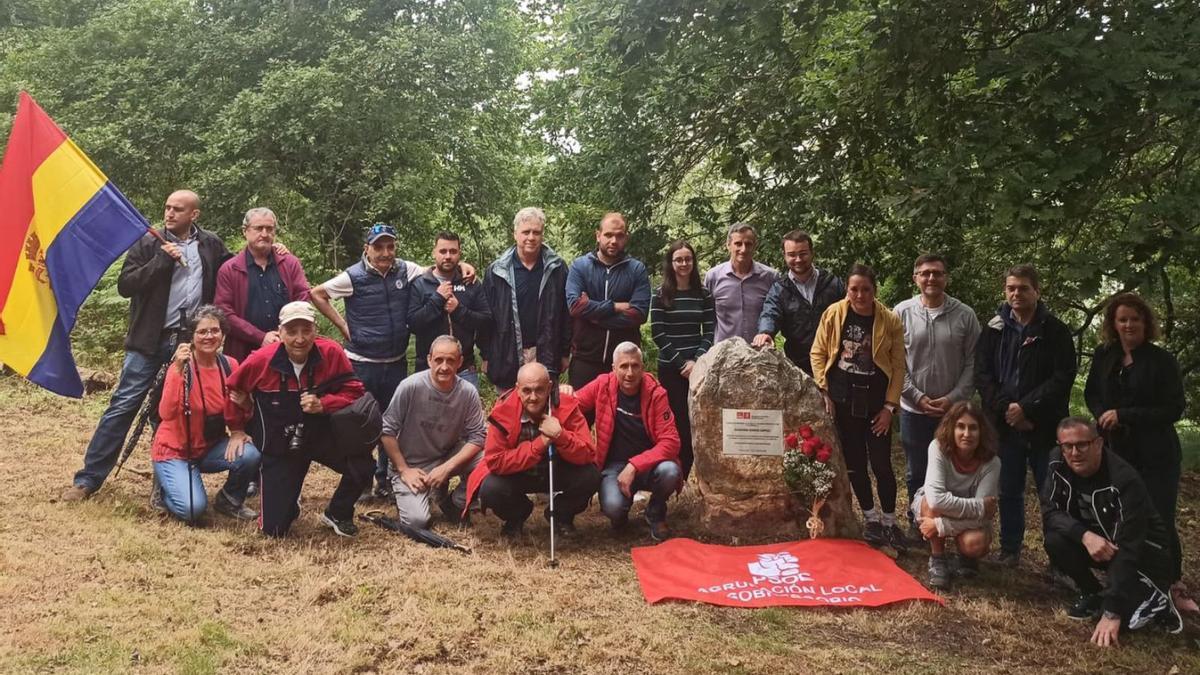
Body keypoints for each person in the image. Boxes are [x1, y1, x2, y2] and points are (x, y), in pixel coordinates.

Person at [63, 190, 231, 502]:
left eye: (178, 209)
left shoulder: (210, 243)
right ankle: (88, 480)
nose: (170, 213)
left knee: (172, 413)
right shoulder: (149, 241)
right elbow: (126, 285)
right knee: (122, 407)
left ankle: (163, 487)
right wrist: (160, 261)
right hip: (147, 341)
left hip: (186, 344)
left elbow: (236, 270)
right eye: (167, 207)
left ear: (194, 214)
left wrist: (272, 250)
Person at [311, 223, 478, 498]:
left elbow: (438, 266)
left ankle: (385, 480)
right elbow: (317, 293)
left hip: (395, 361)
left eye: (390, 246)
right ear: (367, 248)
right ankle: (360, 479)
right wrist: (342, 325)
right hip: (362, 362)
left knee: (393, 423)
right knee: (360, 423)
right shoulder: (352, 276)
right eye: (378, 247)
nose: (385, 252)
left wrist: (463, 266)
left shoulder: (406, 269)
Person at [225, 301, 374, 538]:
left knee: (364, 466)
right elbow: (232, 390)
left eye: (306, 330)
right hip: (279, 444)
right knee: (273, 529)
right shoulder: (260, 360)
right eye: (292, 331)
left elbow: (354, 390)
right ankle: (287, 499)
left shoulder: (331, 352)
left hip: (322, 435)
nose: (300, 339)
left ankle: (338, 512)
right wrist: (236, 428)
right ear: (280, 332)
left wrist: (324, 404)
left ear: (316, 330)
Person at [1084, 292, 1193, 612]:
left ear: (1146, 322)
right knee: (1121, 516)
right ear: (1113, 324)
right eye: (1122, 319)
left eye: (1135, 319)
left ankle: (1173, 583)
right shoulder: (1105, 356)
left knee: (1159, 516)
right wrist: (1105, 415)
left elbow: (1173, 408)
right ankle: (1129, 578)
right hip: (1118, 451)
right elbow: (1092, 394)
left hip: (1156, 455)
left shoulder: (1162, 361)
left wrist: (1125, 415)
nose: (1128, 324)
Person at [1042, 417, 1183, 645]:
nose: (1074, 452)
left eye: (1082, 445)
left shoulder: (1125, 480)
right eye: (1067, 446)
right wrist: (1084, 536)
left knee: (1126, 623)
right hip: (1100, 543)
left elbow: (1129, 546)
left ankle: (1157, 596)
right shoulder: (1056, 462)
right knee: (1054, 540)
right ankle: (1092, 593)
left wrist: (1112, 612)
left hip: (1143, 555)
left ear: (1098, 443)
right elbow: (1049, 512)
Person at [975, 264, 1075, 566]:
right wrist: (1008, 409)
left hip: (1043, 425)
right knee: (1009, 490)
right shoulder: (993, 328)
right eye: (1011, 288)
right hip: (1004, 426)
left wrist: (1027, 408)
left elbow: (1063, 376)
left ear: (1037, 291)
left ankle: (1060, 560)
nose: (1016, 293)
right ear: (1005, 291)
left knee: (1053, 495)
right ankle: (1010, 549)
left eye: (1023, 288)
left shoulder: (1055, 330)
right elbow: (983, 374)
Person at [810, 264, 907, 550]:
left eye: (866, 289)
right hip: (843, 399)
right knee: (854, 464)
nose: (860, 295)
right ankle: (871, 519)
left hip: (876, 402)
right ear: (847, 290)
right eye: (854, 289)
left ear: (874, 290)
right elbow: (818, 352)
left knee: (881, 464)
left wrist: (890, 407)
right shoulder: (835, 313)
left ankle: (890, 521)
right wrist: (823, 389)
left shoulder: (889, 320)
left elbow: (899, 366)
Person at [894, 254, 980, 538]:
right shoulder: (901, 313)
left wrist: (954, 397)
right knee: (916, 471)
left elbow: (974, 362)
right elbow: (894, 361)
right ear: (915, 278)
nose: (931, 278)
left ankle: (955, 529)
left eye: (937, 273)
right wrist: (916, 396)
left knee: (957, 471)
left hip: (953, 413)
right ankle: (918, 526)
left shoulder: (965, 315)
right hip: (912, 409)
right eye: (925, 273)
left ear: (946, 277)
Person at [151, 306, 260, 523]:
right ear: (192, 336)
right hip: (176, 450)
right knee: (192, 510)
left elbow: (240, 408)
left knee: (249, 454)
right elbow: (166, 412)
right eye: (202, 332)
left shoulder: (229, 364)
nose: (209, 336)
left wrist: (239, 426)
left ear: (223, 334)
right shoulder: (182, 365)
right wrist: (177, 370)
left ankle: (229, 500)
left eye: (214, 330)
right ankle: (165, 489)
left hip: (209, 447)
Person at [463, 363, 599, 538]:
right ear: (517, 389)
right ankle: (517, 515)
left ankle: (560, 514)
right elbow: (495, 461)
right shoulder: (503, 411)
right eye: (527, 391)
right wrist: (540, 443)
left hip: (557, 469)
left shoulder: (567, 406)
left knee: (591, 476)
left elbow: (588, 453)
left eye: (540, 390)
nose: (533, 397)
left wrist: (560, 435)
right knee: (491, 488)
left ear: (549, 387)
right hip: (519, 474)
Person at [572, 342, 682, 541]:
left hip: (649, 465)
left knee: (671, 471)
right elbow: (573, 403)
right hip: (613, 465)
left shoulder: (657, 394)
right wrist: (564, 391)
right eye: (623, 366)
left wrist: (634, 466)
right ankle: (620, 514)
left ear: (642, 367)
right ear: (614, 369)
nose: (629, 373)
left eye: (635, 366)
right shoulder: (602, 384)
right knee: (613, 508)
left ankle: (656, 512)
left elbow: (671, 442)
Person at [380, 336, 486, 528]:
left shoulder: (468, 392)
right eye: (439, 360)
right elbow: (386, 431)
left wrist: (446, 468)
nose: (444, 367)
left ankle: (456, 502)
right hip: (413, 465)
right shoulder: (410, 386)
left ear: (460, 362)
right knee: (417, 521)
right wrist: (404, 469)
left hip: (446, 457)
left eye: (450, 361)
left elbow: (478, 436)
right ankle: (404, 490)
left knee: (488, 460)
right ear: (429, 359)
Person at [479, 207, 571, 392]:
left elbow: (566, 314)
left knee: (543, 410)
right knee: (508, 413)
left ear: (542, 235)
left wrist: (564, 352)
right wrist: (486, 355)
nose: (531, 237)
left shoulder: (556, 268)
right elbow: (486, 316)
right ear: (515, 234)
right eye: (526, 232)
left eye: (536, 232)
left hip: (545, 350)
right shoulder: (497, 271)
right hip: (507, 352)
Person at [912, 401, 999, 589]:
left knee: (975, 543)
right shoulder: (938, 448)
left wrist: (941, 525)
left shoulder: (992, 462)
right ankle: (938, 559)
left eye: (973, 428)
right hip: (936, 508)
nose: (967, 434)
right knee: (929, 503)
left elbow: (985, 516)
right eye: (960, 426)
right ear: (951, 428)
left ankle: (967, 558)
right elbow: (936, 500)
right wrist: (980, 506)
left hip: (955, 516)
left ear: (982, 431)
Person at [649, 240, 715, 480]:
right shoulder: (660, 294)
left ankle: (696, 476)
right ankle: (677, 475)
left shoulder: (704, 294)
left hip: (698, 368)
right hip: (670, 369)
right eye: (679, 259)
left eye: (688, 259)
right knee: (677, 426)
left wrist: (696, 361)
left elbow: (709, 330)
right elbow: (658, 333)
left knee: (698, 423)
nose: (684, 263)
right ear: (671, 262)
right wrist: (680, 363)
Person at [565, 212, 651, 389]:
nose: (613, 241)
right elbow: (575, 307)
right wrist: (615, 306)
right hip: (585, 359)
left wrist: (593, 315)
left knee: (620, 417)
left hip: (624, 363)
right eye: (608, 235)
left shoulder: (636, 269)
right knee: (581, 416)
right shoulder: (580, 266)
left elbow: (639, 314)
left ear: (626, 238)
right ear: (598, 235)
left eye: (619, 236)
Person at [214, 207, 310, 362]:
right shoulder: (230, 269)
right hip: (244, 352)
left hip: (288, 348)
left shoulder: (289, 263)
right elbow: (224, 312)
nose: (264, 234)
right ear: (245, 231)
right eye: (258, 228)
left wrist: (287, 331)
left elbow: (303, 296)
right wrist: (260, 337)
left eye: (269, 229)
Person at [752, 230, 846, 375]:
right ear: (784, 256)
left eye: (803, 254)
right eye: (792, 255)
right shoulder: (780, 289)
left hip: (835, 363)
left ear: (812, 253)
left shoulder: (832, 284)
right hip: (799, 365)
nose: (798, 259)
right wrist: (765, 332)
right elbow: (770, 313)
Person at [407, 231, 492, 390]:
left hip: (464, 369)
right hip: (428, 370)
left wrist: (459, 310)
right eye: (443, 251)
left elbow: (486, 320)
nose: (447, 256)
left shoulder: (470, 283)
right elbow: (412, 324)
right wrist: (437, 300)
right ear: (434, 252)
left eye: (453, 251)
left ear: (459, 253)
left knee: (465, 415)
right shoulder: (419, 284)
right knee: (428, 415)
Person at [704, 223, 777, 344]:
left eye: (748, 244)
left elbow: (775, 315)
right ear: (728, 245)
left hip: (759, 353)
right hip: (724, 355)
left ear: (755, 246)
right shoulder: (713, 277)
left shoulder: (770, 277)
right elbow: (707, 319)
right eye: (738, 244)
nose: (743, 249)